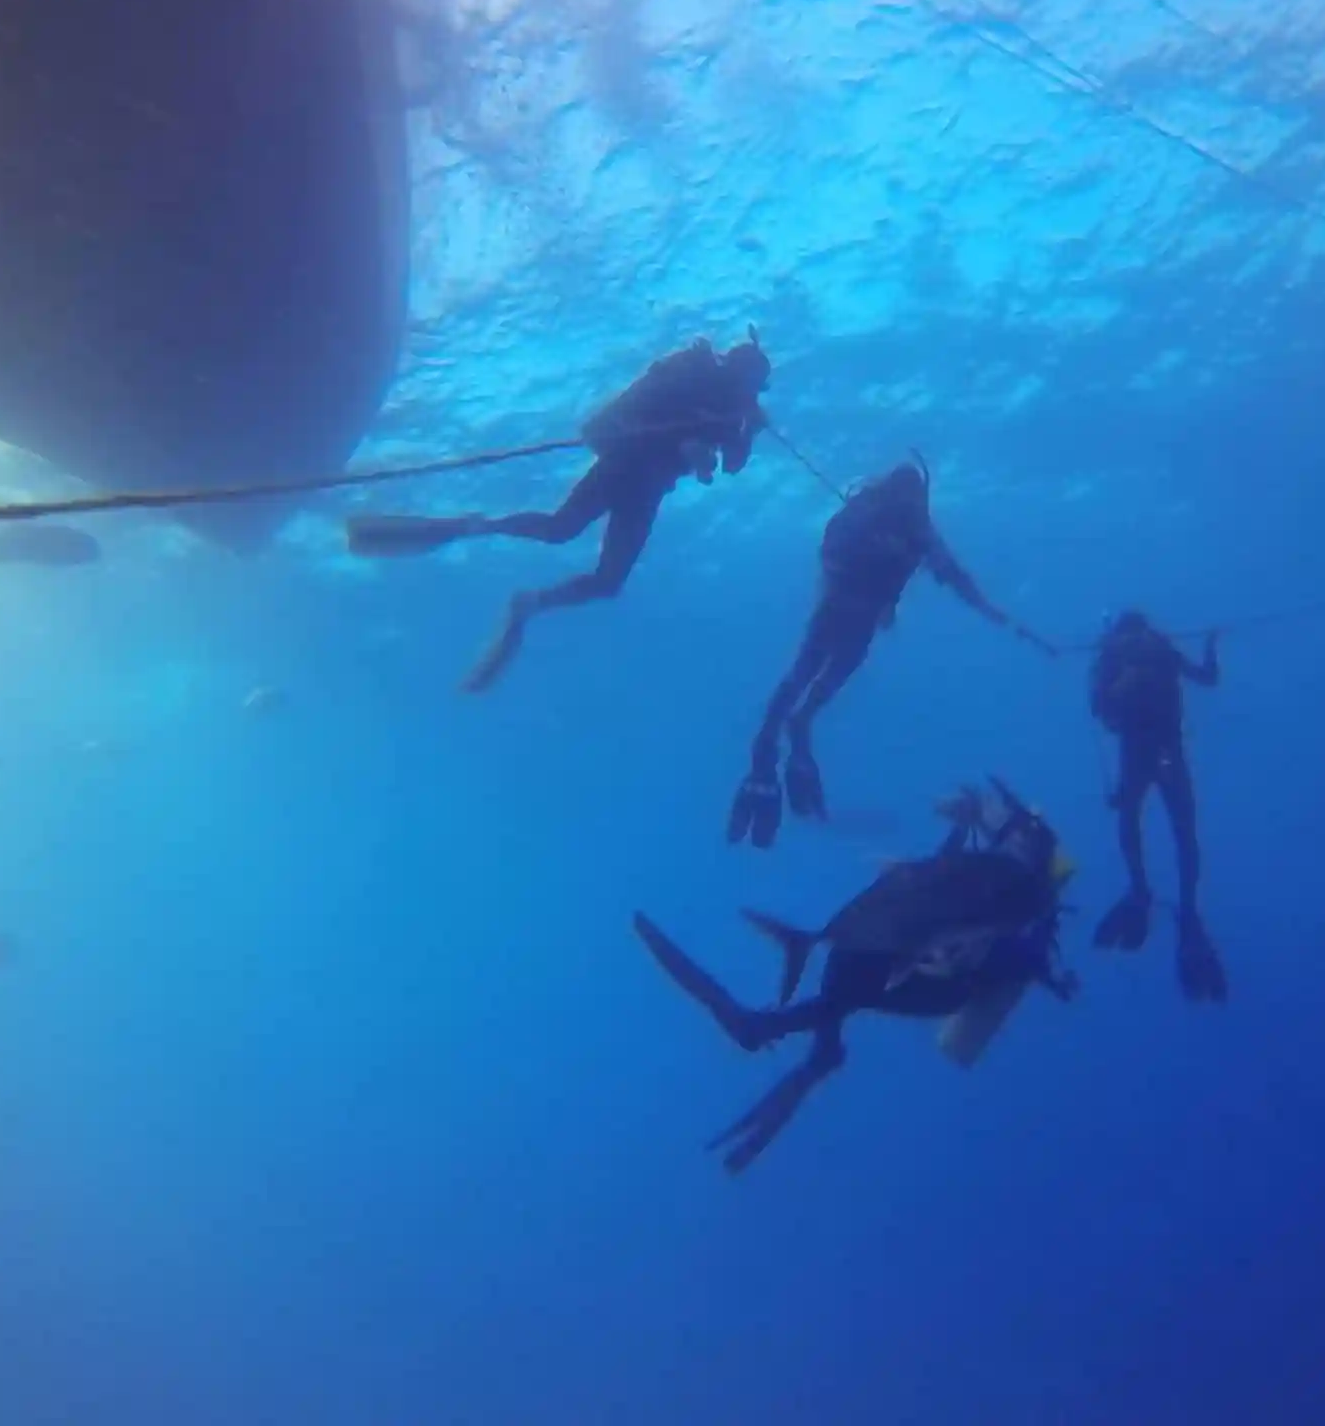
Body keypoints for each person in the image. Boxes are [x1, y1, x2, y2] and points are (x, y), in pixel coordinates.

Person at [635, 779, 1077, 1173]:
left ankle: (774, 1030)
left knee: (864, 974)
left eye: (1020, 842)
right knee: (854, 953)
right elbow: (931, 883)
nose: (1011, 845)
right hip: (912, 956)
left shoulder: (1026, 909)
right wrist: (960, 826)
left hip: (949, 987)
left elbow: (1015, 956)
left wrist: (963, 957)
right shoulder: (989, 869)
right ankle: (817, 1049)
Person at [343, 330, 772, 691]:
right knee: (559, 529)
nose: (751, 393)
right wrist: (688, 446)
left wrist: (748, 432)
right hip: (626, 464)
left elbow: (731, 464)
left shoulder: (735, 412)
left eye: (754, 389)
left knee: (602, 576)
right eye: (753, 383)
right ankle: (476, 530)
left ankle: (527, 596)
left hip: (647, 489)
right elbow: (639, 409)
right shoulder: (691, 375)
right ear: (741, 370)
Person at [727, 459, 1058, 849]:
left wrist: (1000, 617)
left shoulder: (888, 518)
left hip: (842, 612)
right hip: (852, 616)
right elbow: (953, 577)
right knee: (814, 679)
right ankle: (786, 736)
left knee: (803, 678)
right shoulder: (902, 521)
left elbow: (946, 574)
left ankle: (777, 743)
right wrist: (998, 616)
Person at [1088, 609, 1228, 1002]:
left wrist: (1209, 646)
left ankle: (1142, 892)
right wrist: (1211, 647)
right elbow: (1208, 677)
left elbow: (1099, 710)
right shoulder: (1155, 650)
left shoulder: (1121, 656)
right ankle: (1184, 908)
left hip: (1142, 754)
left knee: (1136, 823)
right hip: (1165, 752)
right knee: (1181, 832)